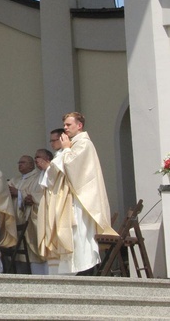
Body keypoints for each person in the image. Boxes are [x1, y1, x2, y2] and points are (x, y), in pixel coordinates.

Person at [39, 112, 116, 275]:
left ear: (79, 125)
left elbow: (72, 167)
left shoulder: (84, 144)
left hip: (81, 200)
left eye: (68, 125)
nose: (65, 128)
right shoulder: (72, 145)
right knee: (74, 236)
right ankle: (74, 271)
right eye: (65, 125)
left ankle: (84, 270)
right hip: (71, 198)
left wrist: (66, 149)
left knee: (80, 236)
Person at [8, 154, 46, 274]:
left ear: (31, 164)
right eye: (19, 163)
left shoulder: (38, 178)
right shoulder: (16, 179)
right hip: (17, 219)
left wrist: (19, 193)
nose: (20, 165)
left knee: (32, 249)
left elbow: (38, 195)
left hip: (29, 218)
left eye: (23, 162)